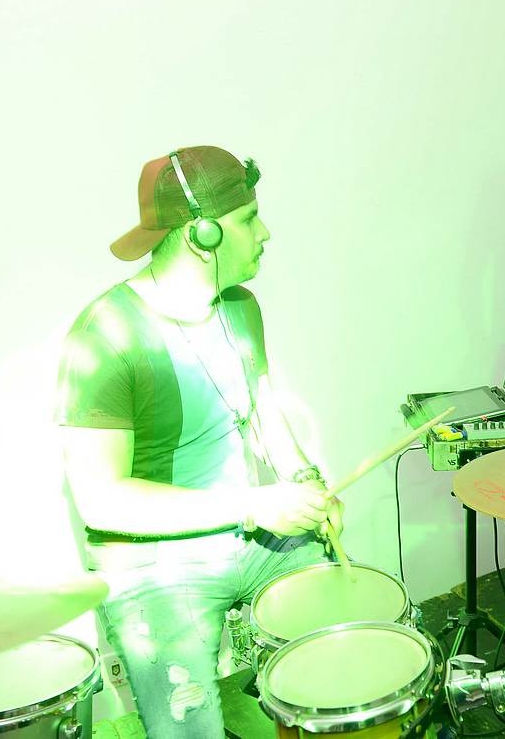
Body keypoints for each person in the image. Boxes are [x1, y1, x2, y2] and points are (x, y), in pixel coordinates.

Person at [56, 145, 343, 738]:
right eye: (249, 219)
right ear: (201, 234)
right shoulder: (104, 335)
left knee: (346, 644)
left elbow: (264, 414)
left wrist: (308, 486)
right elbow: (101, 501)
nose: (265, 233)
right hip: (151, 561)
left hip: (249, 536)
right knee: (191, 726)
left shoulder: (240, 307)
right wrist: (253, 505)